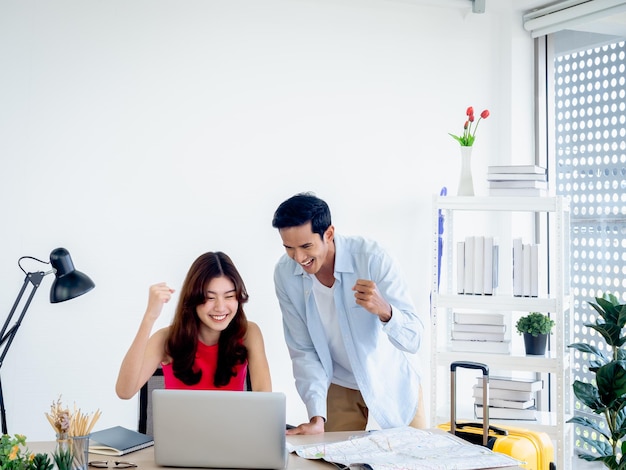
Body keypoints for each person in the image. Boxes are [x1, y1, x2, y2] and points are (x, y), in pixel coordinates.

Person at [271, 192, 426, 435]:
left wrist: (385, 311)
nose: (298, 258)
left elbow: (414, 339)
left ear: (329, 234)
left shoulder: (373, 259)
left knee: (413, 460)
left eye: (306, 246)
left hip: (392, 379)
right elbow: (303, 350)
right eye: (289, 248)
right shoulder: (284, 273)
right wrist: (316, 414)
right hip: (339, 383)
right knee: (335, 462)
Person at [116, 251, 271, 399]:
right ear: (193, 299)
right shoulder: (166, 339)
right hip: (178, 427)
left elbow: (265, 399)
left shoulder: (248, 333)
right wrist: (149, 317)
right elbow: (125, 391)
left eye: (229, 296)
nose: (220, 307)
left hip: (233, 427)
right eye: (210, 298)